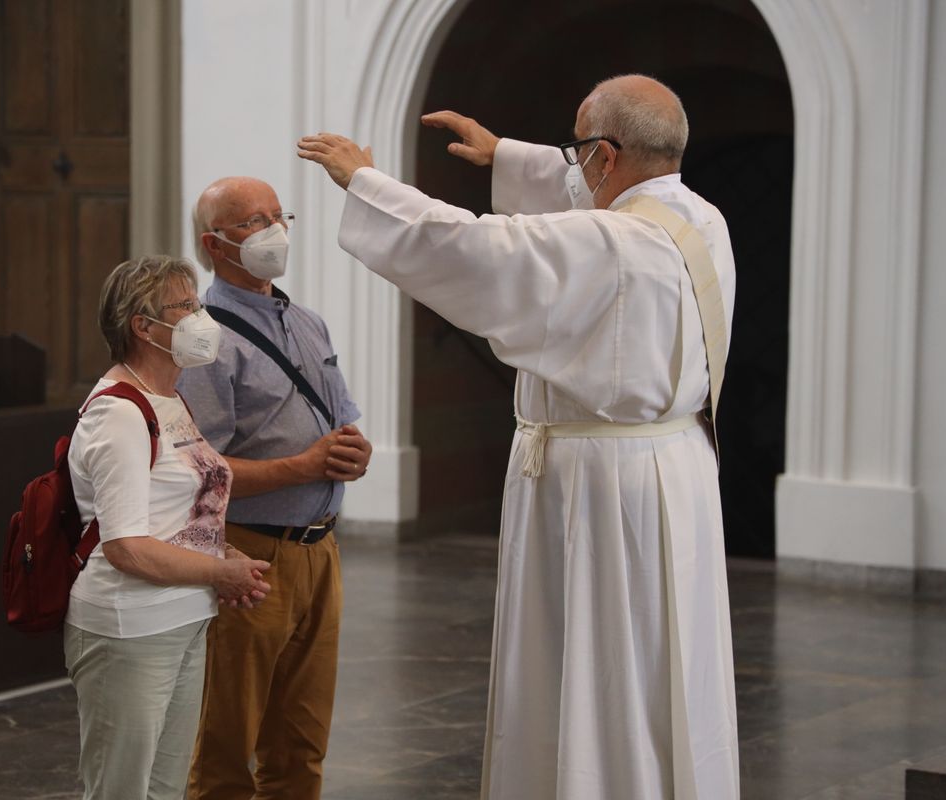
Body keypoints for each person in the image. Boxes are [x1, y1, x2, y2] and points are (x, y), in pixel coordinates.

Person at [297, 74, 740, 800]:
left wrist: (365, 182)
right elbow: (585, 196)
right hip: (677, 468)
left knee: (595, 658)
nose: (570, 163)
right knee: (664, 657)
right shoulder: (700, 220)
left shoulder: (609, 244)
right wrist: (506, 154)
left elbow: (475, 247)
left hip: (598, 485)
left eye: (576, 147)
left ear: (603, 154)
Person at [178, 176, 373, 800]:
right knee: (227, 749)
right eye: (253, 222)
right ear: (215, 245)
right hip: (248, 556)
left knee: (301, 744)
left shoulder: (308, 322)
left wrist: (352, 453)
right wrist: (305, 467)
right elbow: (195, 475)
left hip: (321, 553)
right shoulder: (204, 339)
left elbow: (340, 424)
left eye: (277, 216)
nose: (274, 231)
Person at [64, 255, 272, 800]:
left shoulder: (170, 398)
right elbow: (128, 547)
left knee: (164, 788)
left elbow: (179, 510)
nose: (201, 318)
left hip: (182, 613)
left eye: (197, 304)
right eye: (186, 307)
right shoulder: (119, 413)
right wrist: (218, 573)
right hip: (129, 624)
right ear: (144, 326)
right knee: (120, 789)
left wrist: (221, 559)